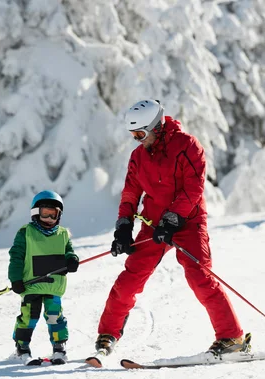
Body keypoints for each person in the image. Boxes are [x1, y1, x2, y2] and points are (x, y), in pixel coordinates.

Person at [95, 99, 246, 357]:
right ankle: (108, 334)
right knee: (130, 278)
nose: (137, 140)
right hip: (153, 225)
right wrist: (123, 226)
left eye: (140, 134)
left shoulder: (188, 146)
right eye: (133, 135)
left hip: (188, 222)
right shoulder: (139, 156)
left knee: (200, 276)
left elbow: (193, 188)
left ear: (157, 126)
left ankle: (232, 338)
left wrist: (173, 218)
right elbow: (131, 193)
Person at [8, 190, 79, 365]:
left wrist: (72, 260)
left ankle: (59, 347)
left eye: (53, 214)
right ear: (35, 213)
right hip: (31, 285)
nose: (48, 218)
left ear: (59, 215)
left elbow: (69, 251)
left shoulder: (63, 234)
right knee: (29, 316)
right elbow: (16, 257)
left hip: (53, 285)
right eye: (45, 213)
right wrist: (15, 279)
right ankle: (22, 347)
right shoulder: (26, 232)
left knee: (55, 316)